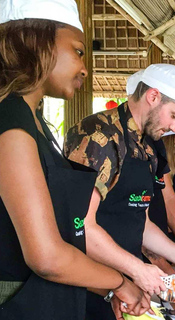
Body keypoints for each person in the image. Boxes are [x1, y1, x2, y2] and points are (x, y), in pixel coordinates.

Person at [0, 1, 149, 318]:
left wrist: (106, 288)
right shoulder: (9, 121)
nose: (84, 68)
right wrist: (120, 283)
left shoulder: (35, 123)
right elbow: (47, 258)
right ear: (36, 40)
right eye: (78, 51)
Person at [64, 64, 175, 320]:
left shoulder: (148, 146)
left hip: (126, 284)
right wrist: (137, 270)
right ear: (153, 96)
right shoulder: (98, 136)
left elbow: (141, 223)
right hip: (90, 285)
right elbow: (80, 226)